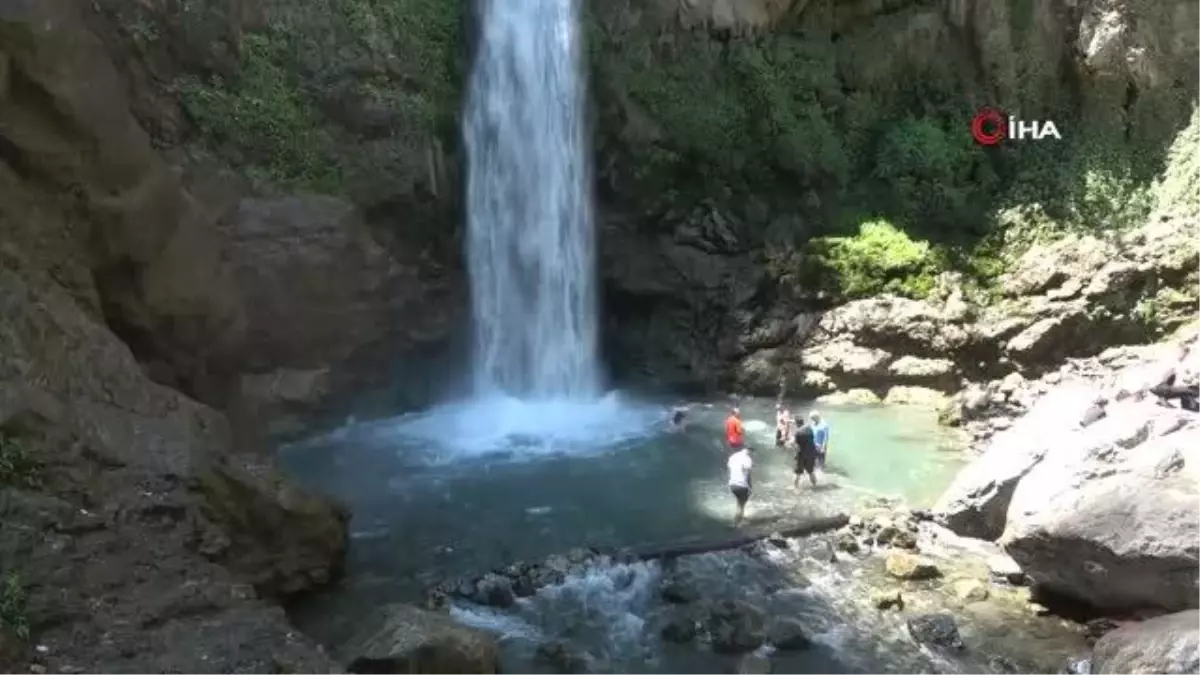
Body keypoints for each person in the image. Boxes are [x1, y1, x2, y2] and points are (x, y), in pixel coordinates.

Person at [727, 444, 753, 525]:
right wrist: (750, 486)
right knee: (742, 503)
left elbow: (730, 468)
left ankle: (740, 516)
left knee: (740, 500)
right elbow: (748, 474)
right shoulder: (747, 459)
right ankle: (736, 522)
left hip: (732, 484)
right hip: (741, 485)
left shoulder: (733, 456)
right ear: (749, 450)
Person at [792, 414, 819, 488]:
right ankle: (815, 486)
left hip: (802, 455)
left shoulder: (797, 433)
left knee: (797, 473)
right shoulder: (809, 428)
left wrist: (793, 447)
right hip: (811, 454)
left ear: (796, 423)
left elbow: (797, 447)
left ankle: (795, 488)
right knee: (811, 471)